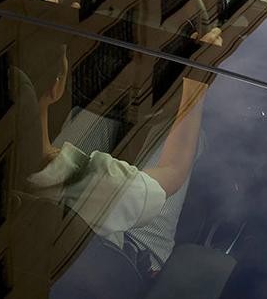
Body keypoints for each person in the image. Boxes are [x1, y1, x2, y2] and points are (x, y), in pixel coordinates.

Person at [20, 38, 208, 277]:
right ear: (57, 86)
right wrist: (197, 81)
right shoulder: (87, 181)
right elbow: (174, 169)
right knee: (192, 137)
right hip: (114, 263)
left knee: (98, 114)